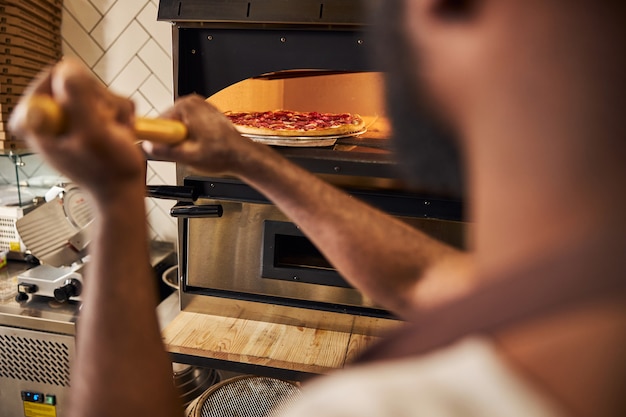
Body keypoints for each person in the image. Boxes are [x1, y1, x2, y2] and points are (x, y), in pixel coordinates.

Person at [9, 0, 625, 416]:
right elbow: (424, 277)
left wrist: (115, 200)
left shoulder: (387, 405)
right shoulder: (584, 296)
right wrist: (250, 158)